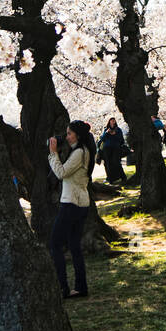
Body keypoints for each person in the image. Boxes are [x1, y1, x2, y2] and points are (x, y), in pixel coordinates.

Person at [47, 121, 94, 299]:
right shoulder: (83, 152)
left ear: (78, 135)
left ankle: (63, 287)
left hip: (71, 203)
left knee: (55, 244)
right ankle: (81, 287)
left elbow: (61, 173)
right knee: (74, 246)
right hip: (81, 203)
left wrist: (53, 154)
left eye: (69, 134)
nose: (66, 137)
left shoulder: (80, 153)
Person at [98, 117, 127, 185]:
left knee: (116, 162)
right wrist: (107, 133)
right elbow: (102, 139)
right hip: (107, 149)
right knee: (108, 163)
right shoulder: (106, 129)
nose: (112, 122)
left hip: (116, 148)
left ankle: (122, 177)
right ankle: (110, 179)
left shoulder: (118, 130)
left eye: (114, 121)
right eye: (111, 121)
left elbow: (121, 140)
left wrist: (115, 134)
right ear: (109, 122)